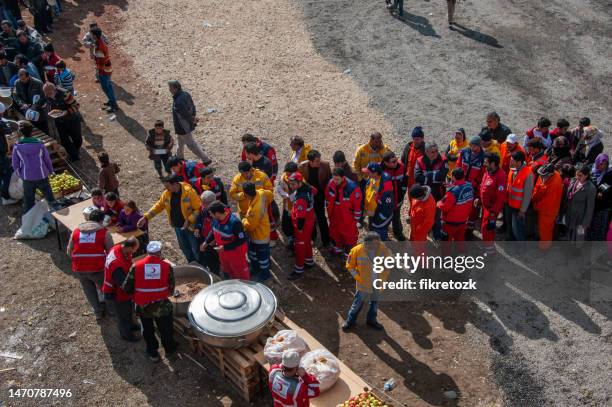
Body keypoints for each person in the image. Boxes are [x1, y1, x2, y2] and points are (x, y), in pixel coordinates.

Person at [122, 241, 178, 362]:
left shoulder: (136, 266)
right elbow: (172, 288)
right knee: (166, 328)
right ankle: (169, 348)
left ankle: (153, 353)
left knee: (147, 330)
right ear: (159, 253)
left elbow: (126, 287)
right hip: (162, 306)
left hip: (143, 306)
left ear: (147, 252)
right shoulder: (166, 266)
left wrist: (138, 295)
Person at [138, 175, 201, 263]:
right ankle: (192, 263)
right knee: (184, 247)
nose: (166, 188)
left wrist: (189, 220)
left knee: (195, 248)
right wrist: (145, 217)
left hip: (191, 227)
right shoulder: (167, 194)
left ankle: (200, 264)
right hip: (178, 227)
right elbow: (158, 206)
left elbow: (198, 208)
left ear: (175, 184)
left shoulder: (189, 192)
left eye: (167, 186)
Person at [67, 208, 113, 321]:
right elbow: (111, 253)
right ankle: (112, 311)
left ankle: (98, 312)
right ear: (101, 221)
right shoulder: (104, 233)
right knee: (106, 288)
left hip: (79, 268)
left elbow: (69, 251)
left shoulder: (76, 231)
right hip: (97, 268)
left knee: (89, 290)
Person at [342, 232, 391, 331]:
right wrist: (358, 278)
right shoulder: (356, 250)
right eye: (374, 244)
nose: (376, 246)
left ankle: (371, 320)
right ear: (366, 243)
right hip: (363, 284)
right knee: (357, 303)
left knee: (374, 303)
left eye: (377, 243)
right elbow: (349, 266)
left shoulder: (382, 249)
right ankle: (350, 321)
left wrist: (385, 274)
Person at [11, 121, 56, 212]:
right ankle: (56, 216)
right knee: (50, 198)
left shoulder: (17, 147)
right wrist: (51, 171)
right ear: (32, 131)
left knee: (28, 200)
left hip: (27, 178)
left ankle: (28, 218)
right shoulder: (40, 145)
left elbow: (15, 164)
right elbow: (47, 160)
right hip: (42, 175)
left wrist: (20, 174)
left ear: (20, 133)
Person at [102, 237, 140, 342]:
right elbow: (124, 285)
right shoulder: (117, 264)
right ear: (128, 247)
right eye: (134, 249)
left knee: (129, 309)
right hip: (116, 293)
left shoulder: (118, 248)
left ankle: (131, 325)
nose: (135, 251)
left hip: (122, 290)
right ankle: (127, 335)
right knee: (122, 314)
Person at [202, 201, 250, 280]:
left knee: (242, 276)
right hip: (223, 253)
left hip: (236, 255)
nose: (210, 215)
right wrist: (206, 241)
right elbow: (213, 231)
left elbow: (241, 240)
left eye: (211, 213)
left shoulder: (235, 222)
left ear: (217, 213)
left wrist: (225, 247)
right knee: (229, 272)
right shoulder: (215, 220)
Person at [168, 80, 210, 164]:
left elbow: (184, 114)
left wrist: (192, 119)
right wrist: (193, 117)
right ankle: (179, 156)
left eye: (170, 88)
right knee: (180, 141)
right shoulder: (186, 94)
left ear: (175, 88)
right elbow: (192, 106)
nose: (169, 90)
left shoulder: (178, 100)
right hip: (185, 125)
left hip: (182, 126)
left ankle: (205, 159)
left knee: (191, 144)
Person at [325, 167, 362, 259]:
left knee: (350, 237)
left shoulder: (353, 188)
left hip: (347, 217)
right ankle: (337, 249)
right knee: (334, 233)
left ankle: (349, 257)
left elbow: (358, 206)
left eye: (337, 179)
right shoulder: (331, 183)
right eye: (333, 178)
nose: (335, 181)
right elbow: (327, 197)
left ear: (343, 177)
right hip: (334, 214)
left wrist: (356, 220)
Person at [298, 149, 331, 247]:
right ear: (310, 161)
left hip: (320, 195)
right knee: (310, 217)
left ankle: (326, 240)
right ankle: (313, 238)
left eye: (319, 159)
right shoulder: (302, 167)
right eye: (317, 161)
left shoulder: (325, 165)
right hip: (308, 196)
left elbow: (329, 180)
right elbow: (300, 180)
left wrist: (327, 196)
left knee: (321, 217)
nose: (319, 162)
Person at [414, 142, 447, 240]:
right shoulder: (419, 161)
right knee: (426, 216)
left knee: (437, 217)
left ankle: (436, 236)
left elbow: (442, 176)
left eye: (437, 150)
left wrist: (427, 175)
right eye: (433, 151)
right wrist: (434, 176)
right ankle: (427, 231)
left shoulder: (443, 160)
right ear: (426, 152)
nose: (436, 153)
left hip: (438, 194)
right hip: (425, 195)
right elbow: (417, 178)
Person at [241, 182, 273, 281]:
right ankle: (256, 268)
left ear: (246, 194)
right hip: (264, 230)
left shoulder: (255, 210)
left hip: (259, 236)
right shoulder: (261, 193)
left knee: (262, 256)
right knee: (255, 253)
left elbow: (250, 227)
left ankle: (265, 273)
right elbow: (271, 195)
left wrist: (243, 220)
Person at [43, 82, 82, 162]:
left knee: (77, 138)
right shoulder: (47, 95)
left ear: (54, 90)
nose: (48, 95)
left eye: (49, 93)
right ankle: (74, 156)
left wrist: (66, 112)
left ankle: (75, 151)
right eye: (46, 94)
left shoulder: (64, 94)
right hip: (59, 120)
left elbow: (76, 106)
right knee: (64, 140)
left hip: (72, 119)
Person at [437, 168, 474, 254]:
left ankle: (447, 260)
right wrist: (452, 185)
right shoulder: (469, 186)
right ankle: (461, 256)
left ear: (453, 177)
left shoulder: (452, 193)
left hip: (451, 222)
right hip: (463, 220)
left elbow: (445, 207)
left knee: (446, 241)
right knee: (460, 238)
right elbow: (461, 188)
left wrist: (437, 203)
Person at [287, 172, 316, 279]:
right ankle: (309, 261)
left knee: (299, 245)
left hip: (303, 225)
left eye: (293, 184)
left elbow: (301, 216)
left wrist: (299, 228)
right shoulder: (308, 188)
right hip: (310, 221)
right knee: (307, 241)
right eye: (290, 184)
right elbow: (315, 191)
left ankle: (298, 269)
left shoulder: (300, 198)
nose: (291, 186)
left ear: (299, 183)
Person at [477, 153, 506, 255]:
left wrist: (494, 212)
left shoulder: (501, 176)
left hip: (491, 210)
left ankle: (490, 251)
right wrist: (479, 200)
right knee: (484, 229)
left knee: (487, 229)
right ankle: (487, 246)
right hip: (485, 208)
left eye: (486, 162)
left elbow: (500, 197)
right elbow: (483, 187)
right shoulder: (488, 172)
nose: (484, 163)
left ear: (493, 163)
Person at [531, 163, 563, 250]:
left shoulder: (552, 184)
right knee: (546, 229)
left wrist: (534, 203)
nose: (541, 177)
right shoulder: (552, 175)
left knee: (545, 230)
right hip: (549, 209)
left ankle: (544, 248)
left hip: (547, 211)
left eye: (543, 175)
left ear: (550, 174)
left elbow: (545, 201)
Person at [457, 136, 485, 236]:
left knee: (473, 209)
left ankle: (469, 230)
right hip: (462, 185)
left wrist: (475, 184)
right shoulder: (464, 152)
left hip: (474, 188)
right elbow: (458, 165)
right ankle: (461, 228)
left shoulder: (483, 157)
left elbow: (483, 174)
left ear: (479, 146)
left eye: (475, 146)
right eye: (472, 145)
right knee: (461, 206)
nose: (473, 148)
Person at [505, 151, 534, 241]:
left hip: (518, 208)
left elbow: (527, 195)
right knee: (510, 224)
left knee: (518, 228)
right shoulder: (512, 170)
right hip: (509, 204)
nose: (510, 162)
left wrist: (522, 210)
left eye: (512, 160)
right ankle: (511, 239)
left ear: (519, 162)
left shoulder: (528, 174)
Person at [565, 163, 597, 242]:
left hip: (581, 219)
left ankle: (577, 252)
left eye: (580, 175)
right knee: (569, 234)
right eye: (577, 174)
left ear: (586, 175)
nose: (577, 177)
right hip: (571, 215)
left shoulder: (591, 188)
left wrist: (585, 224)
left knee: (579, 237)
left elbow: (590, 208)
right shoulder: (573, 181)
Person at [362, 162, 394, 241]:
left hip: (379, 219)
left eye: (368, 172)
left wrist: (378, 218)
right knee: (373, 232)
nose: (366, 174)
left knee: (380, 234)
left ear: (375, 173)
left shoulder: (386, 187)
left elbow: (387, 208)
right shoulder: (371, 180)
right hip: (372, 214)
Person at [382, 151, 407, 241]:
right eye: (393, 162)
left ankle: (398, 233)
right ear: (386, 163)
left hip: (398, 199)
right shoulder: (380, 171)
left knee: (396, 217)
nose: (396, 162)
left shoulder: (401, 167)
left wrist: (403, 192)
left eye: (396, 160)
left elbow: (405, 180)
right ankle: (383, 234)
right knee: (385, 218)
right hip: (386, 201)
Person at [91, 27, 118, 112]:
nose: (91, 36)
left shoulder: (100, 46)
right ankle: (111, 101)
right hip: (105, 67)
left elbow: (99, 59)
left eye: (92, 34)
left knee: (107, 87)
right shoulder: (99, 42)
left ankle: (114, 105)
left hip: (103, 69)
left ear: (95, 35)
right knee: (107, 86)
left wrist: (98, 69)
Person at [194, 191, 220, 275]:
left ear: (211, 203)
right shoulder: (204, 208)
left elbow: (219, 229)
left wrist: (214, 241)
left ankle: (217, 275)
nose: (202, 205)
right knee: (207, 258)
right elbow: (199, 219)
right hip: (205, 239)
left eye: (204, 203)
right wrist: (197, 227)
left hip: (214, 242)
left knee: (216, 261)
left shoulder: (218, 213)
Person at [586, 154, 611, 241]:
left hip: (603, 207)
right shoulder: (592, 172)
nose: (603, 166)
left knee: (600, 229)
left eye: (605, 164)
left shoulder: (609, 174)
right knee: (590, 226)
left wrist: (603, 192)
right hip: (592, 205)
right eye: (601, 164)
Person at [408, 185, 436, 255]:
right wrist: (410, 213)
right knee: (414, 241)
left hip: (420, 230)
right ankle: (414, 250)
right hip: (414, 224)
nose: (414, 199)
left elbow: (429, 222)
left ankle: (421, 263)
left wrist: (418, 229)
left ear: (420, 197)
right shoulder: (418, 193)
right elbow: (413, 204)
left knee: (419, 247)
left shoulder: (430, 204)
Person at [276, 161, 298, 249]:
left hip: (297, 208)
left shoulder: (300, 180)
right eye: (287, 174)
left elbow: (300, 191)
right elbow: (279, 188)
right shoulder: (283, 178)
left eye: (290, 174)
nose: (288, 176)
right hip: (287, 206)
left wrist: (291, 197)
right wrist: (285, 195)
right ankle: (290, 238)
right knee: (285, 224)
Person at [0, 102, 17, 205]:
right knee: (7, 175)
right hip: (1, 154)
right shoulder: (2, 124)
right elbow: (9, 134)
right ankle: (6, 197)